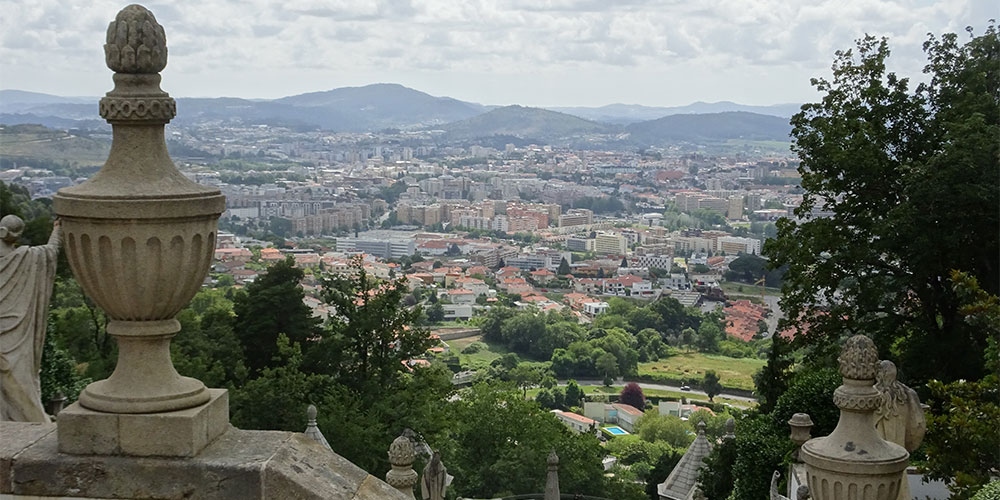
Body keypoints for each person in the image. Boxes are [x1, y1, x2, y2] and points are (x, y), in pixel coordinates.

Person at [0, 215, 61, 422]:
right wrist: (57, 229)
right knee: (20, 379)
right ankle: (33, 422)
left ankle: (29, 422)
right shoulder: (27, 257)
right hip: (16, 334)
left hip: (14, 332)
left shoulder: (24, 257)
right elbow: (51, 251)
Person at [874, 360, 926, 500]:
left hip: (877, 452)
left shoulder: (873, 395)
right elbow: (918, 425)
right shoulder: (907, 395)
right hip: (899, 450)